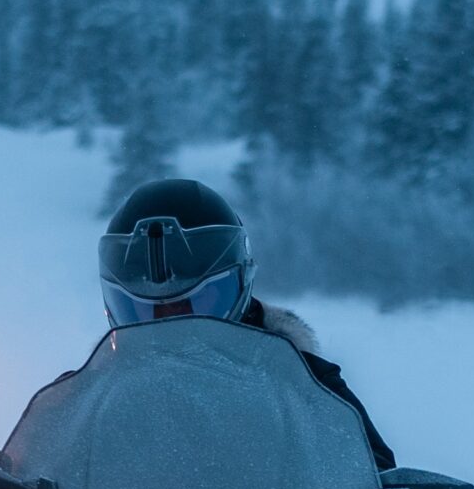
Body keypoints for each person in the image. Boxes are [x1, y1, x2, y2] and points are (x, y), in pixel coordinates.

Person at [95, 178, 395, 469]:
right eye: (146, 311)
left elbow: (375, 477)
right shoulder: (91, 399)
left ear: (241, 284)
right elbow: (52, 457)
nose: (174, 325)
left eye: (197, 306)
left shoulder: (302, 384)